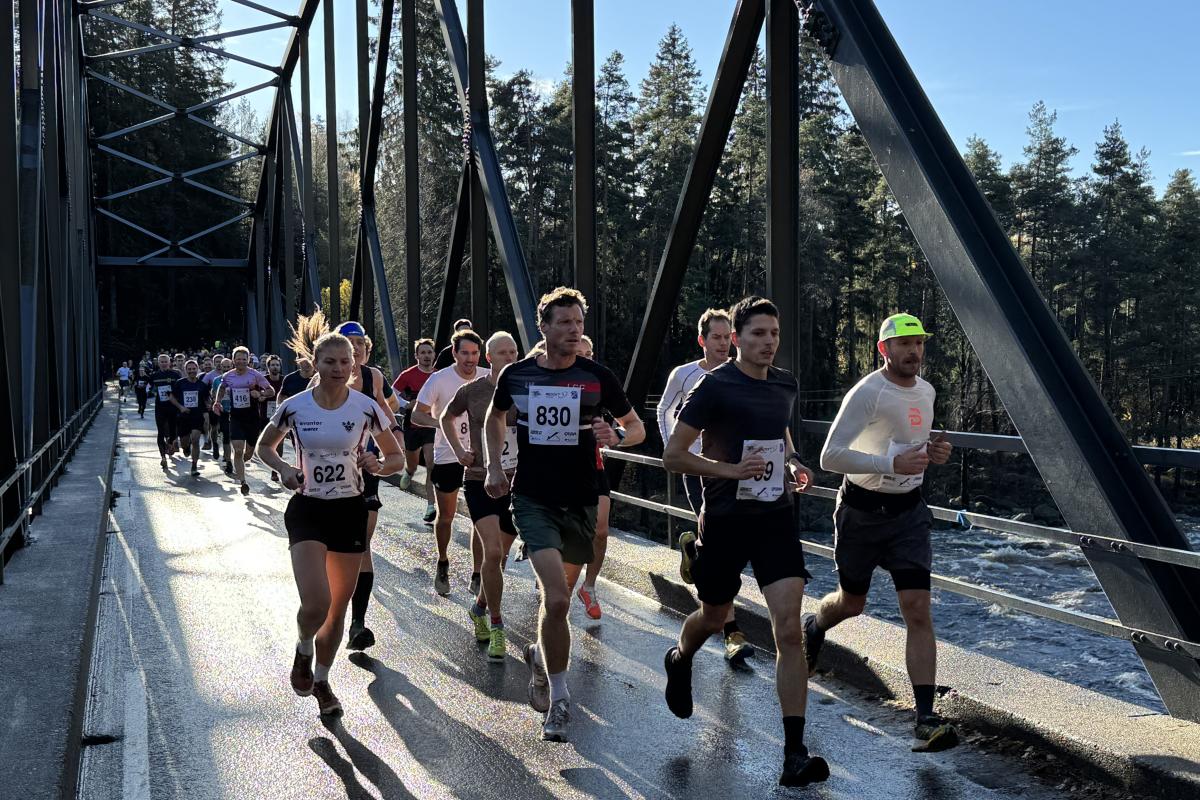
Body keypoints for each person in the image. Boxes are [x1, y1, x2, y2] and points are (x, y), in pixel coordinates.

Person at [661, 295, 827, 788]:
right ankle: (679, 658)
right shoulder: (714, 386)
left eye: (774, 333)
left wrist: (793, 463)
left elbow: (778, 430)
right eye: (757, 334)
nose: (768, 342)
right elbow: (674, 455)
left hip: (775, 519)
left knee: (789, 632)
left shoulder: (784, 384)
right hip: (726, 519)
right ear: (735, 339)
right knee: (714, 616)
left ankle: (794, 754)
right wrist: (730, 470)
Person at [484, 287, 645, 742]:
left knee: (559, 605)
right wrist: (494, 465)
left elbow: (636, 428)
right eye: (565, 323)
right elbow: (494, 418)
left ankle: (541, 656)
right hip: (533, 499)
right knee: (556, 599)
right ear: (544, 328)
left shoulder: (597, 377)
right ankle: (559, 700)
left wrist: (615, 435)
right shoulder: (517, 374)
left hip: (582, 500)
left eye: (579, 322)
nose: (575, 330)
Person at [808, 312, 957, 753]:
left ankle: (925, 717)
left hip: (908, 514)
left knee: (917, 609)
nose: (914, 351)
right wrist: (889, 464)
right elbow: (830, 456)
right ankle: (814, 625)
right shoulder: (867, 392)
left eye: (919, 343)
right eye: (904, 344)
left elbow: (912, 443)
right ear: (884, 349)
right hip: (861, 512)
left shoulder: (927, 391)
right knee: (851, 603)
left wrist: (934, 452)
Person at [256, 329, 402, 718]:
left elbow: (396, 459)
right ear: (315, 365)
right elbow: (264, 446)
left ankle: (321, 680)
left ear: (354, 365)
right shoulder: (295, 406)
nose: (338, 368)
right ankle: (304, 647)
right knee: (316, 602)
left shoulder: (366, 407)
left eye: (345, 362)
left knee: (336, 611)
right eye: (330, 362)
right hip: (308, 509)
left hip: (349, 511)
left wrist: (378, 464)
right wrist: (284, 468)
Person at [656, 308, 751, 664]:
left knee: (727, 544)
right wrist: (674, 451)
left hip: (735, 471)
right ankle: (732, 633)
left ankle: (694, 554)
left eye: (728, 337)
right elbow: (664, 409)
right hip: (699, 471)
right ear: (702, 340)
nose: (724, 344)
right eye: (717, 337)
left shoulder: (744, 374)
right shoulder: (684, 375)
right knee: (722, 545)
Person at [442, 331, 520, 660]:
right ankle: (497, 625)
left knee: (499, 559)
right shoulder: (472, 391)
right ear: (490, 358)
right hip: (479, 479)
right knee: (492, 551)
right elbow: (446, 416)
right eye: (503, 353)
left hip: (517, 483)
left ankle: (478, 607)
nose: (510, 358)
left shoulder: (526, 388)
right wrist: (459, 451)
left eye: (514, 353)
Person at [335, 321, 401, 652]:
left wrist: (389, 451)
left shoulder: (373, 377)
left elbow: (390, 412)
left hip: (366, 471)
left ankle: (357, 624)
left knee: (361, 544)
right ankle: (330, 613)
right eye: (349, 342)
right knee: (335, 550)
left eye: (360, 342)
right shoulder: (326, 378)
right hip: (331, 476)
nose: (356, 347)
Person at [411, 329, 489, 596]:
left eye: (475, 353)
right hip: (447, 455)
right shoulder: (439, 379)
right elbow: (417, 415)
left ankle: (477, 573)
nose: (470, 359)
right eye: (464, 353)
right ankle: (443, 561)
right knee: (446, 516)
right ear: (454, 353)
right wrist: (444, 424)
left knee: (480, 518)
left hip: (480, 456)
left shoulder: (487, 377)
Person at [562, 335, 611, 621]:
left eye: (589, 354)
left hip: (594, 467)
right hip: (559, 470)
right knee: (566, 533)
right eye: (579, 353)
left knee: (600, 530)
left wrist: (613, 433)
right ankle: (558, 587)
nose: (585, 358)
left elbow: (625, 424)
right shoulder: (554, 382)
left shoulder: (599, 382)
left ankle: (588, 587)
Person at [212, 346, 275, 495]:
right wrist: (217, 402)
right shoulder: (228, 375)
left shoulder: (255, 375)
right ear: (233, 360)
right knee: (238, 450)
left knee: (249, 452)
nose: (241, 361)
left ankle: (243, 461)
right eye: (238, 359)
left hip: (252, 418)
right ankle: (243, 481)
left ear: (248, 360)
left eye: (243, 359)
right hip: (236, 417)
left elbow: (271, 391)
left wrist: (260, 393)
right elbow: (222, 387)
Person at [392, 339, 438, 523]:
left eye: (429, 352)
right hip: (412, 426)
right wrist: (406, 404)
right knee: (412, 463)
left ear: (434, 355)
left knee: (431, 464)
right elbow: (392, 394)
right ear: (416, 356)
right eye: (423, 353)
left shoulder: (438, 376)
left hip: (431, 425)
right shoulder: (408, 375)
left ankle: (430, 506)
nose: (426, 356)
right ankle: (409, 472)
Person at [170, 359, 211, 476]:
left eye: (194, 369)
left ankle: (194, 465)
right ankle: (186, 448)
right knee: (184, 443)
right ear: (185, 370)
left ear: (197, 369)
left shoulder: (202, 385)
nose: (192, 371)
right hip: (183, 417)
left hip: (197, 416)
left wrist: (209, 404)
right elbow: (171, 397)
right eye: (189, 369)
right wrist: (181, 407)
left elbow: (207, 399)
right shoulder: (180, 383)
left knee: (195, 440)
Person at [149, 354, 182, 470]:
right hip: (160, 407)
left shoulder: (175, 375)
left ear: (169, 363)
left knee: (173, 431)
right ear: (158, 363)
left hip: (173, 407)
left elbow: (180, 389)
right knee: (160, 431)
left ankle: (171, 443)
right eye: (161, 362)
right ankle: (163, 457)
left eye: (165, 361)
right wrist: (151, 391)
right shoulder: (154, 376)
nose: (163, 364)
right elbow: (149, 388)